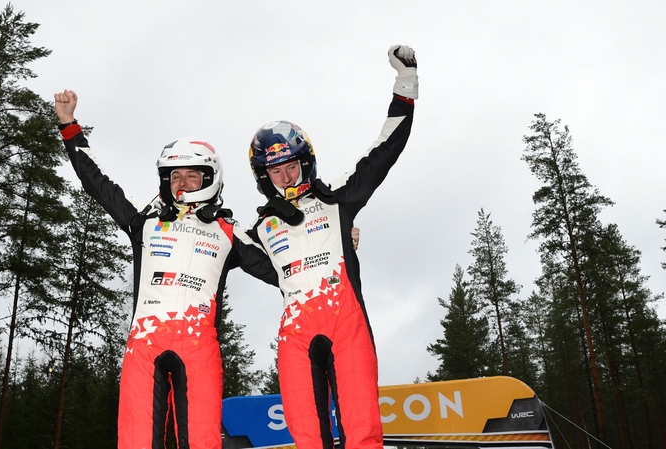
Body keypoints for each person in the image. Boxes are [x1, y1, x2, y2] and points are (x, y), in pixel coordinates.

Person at [53, 89, 281, 449]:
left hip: (199, 347)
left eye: (193, 175)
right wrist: (69, 125)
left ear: (210, 179)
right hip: (144, 346)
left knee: (202, 441)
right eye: (175, 175)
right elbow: (98, 184)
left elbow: (286, 271)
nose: (183, 183)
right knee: (136, 440)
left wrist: (337, 244)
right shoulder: (143, 222)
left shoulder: (229, 232)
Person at [245, 44, 419, 449]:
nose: (287, 176)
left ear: (307, 162)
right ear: (263, 176)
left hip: (347, 328)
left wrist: (406, 82)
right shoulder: (259, 227)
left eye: (292, 165)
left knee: (362, 434)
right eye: (276, 170)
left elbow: (382, 153)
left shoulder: (337, 199)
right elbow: (211, 250)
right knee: (308, 439)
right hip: (296, 338)